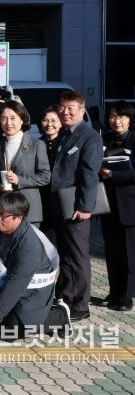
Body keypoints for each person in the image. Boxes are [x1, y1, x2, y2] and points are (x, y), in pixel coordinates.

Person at [0, 193, 69, 338]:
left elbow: (16, 283)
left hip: (32, 290)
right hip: (5, 279)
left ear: (19, 217)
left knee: (18, 329)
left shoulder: (30, 246)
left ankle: (60, 315)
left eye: (3, 216)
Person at [51, 90, 103, 321]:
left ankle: (81, 304)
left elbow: (89, 174)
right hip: (61, 205)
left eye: (70, 108)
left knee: (78, 255)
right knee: (66, 254)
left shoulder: (89, 137)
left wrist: (85, 207)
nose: (65, 112)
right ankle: (67, 296)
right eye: (62, 107)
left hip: (76, 207)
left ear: (82, 110)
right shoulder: (64, 133)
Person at [96, 101, 135, 311]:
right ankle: (114, 292)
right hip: (107, 203)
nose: (116, 121)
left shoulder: (133, 140)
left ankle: (127, 296)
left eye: (121, 117)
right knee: (112, 252)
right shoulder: (104, 139)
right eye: (112, 116)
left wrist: (111, 174)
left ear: (130, 119)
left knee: (129, 254)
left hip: (129, 205)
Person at [0, 100, 50, 227]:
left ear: (22, 119)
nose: (8, 123)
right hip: (4, 210)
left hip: (29, 210)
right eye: (3, 118)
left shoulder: (36, 144)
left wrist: (19, 180)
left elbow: (45, 176)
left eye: (13, 118)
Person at [38, 106, 63, 237]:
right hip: (42, 196)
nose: (49, 124)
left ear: (61, 122)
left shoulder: (66, 143)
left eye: (54, 120)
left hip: (61, 196)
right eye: (45, 120)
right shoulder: (36, 143)